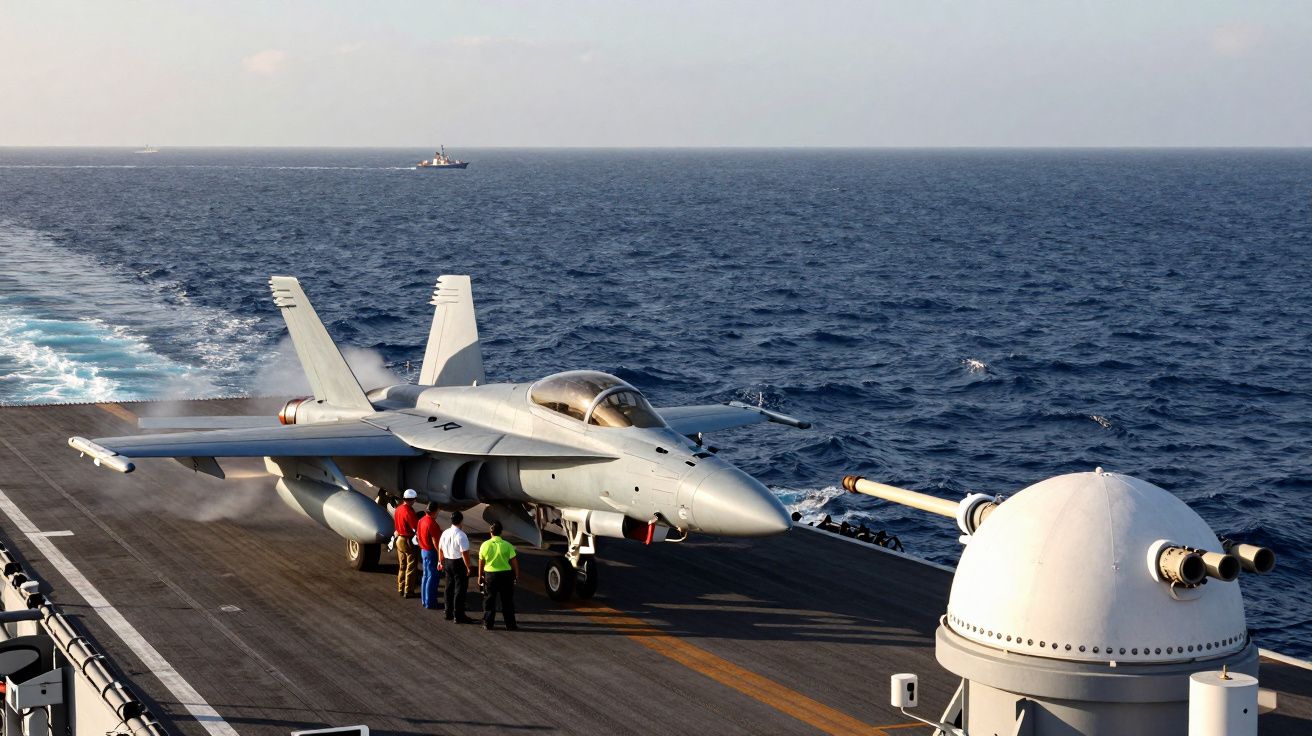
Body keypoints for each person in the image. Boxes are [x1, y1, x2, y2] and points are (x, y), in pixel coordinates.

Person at [478, 521, 519, 630]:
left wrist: (479, 576)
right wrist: (516, 575)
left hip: (490, 576)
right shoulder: (508, 545)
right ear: (501, 532)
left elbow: (481, 561)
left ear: (490, 532)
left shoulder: (485, 545)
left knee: (489, 600)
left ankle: (488, 623)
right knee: (507, 601)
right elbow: (514, 562)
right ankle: (510, 625)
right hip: (506, 576)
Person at [438, 511, 474, 623]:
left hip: (448, 562)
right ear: (461, 521)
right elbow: (465, 553)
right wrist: (468, 566)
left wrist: (440, 561)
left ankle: (448, 612)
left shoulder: (445, 533)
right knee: (460, 589)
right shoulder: (461, 535)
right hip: (458, 563)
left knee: (448, 588)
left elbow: (440, 548)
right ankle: (458, 615)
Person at [416, 503, 444, 611]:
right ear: (434, 511)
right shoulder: (432, 523)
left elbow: (418, 535)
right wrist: (440, 555)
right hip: (431, 552)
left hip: (424, 550)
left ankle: (425, 600)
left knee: (426, 576)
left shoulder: (421, 520)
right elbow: (436, 542)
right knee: (433, 578)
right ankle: (430, 602)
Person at [393, 489, 420, 598]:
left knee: (402, 566)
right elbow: (415, 527)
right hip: (407, 541)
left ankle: (400, 588)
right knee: (411, 567)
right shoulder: (409, 511)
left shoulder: (398, 509)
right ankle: (408, 591)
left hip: (399, 539)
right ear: (412, 499)